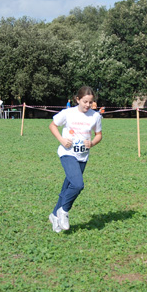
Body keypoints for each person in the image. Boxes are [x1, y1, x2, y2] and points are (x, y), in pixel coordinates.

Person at [48, 86, 103, 233]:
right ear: (77, 99)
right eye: (85, 101)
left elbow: (99, 134)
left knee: (67, 187)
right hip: (67, 153)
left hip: (82, 157)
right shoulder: (68, 113)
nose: (87, 105)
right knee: (78, 185)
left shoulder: (95, 116)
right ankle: (63, 211)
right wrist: (61, 139)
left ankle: (54, 215)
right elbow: (52, 125)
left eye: (90, 102)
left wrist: (92, 143)